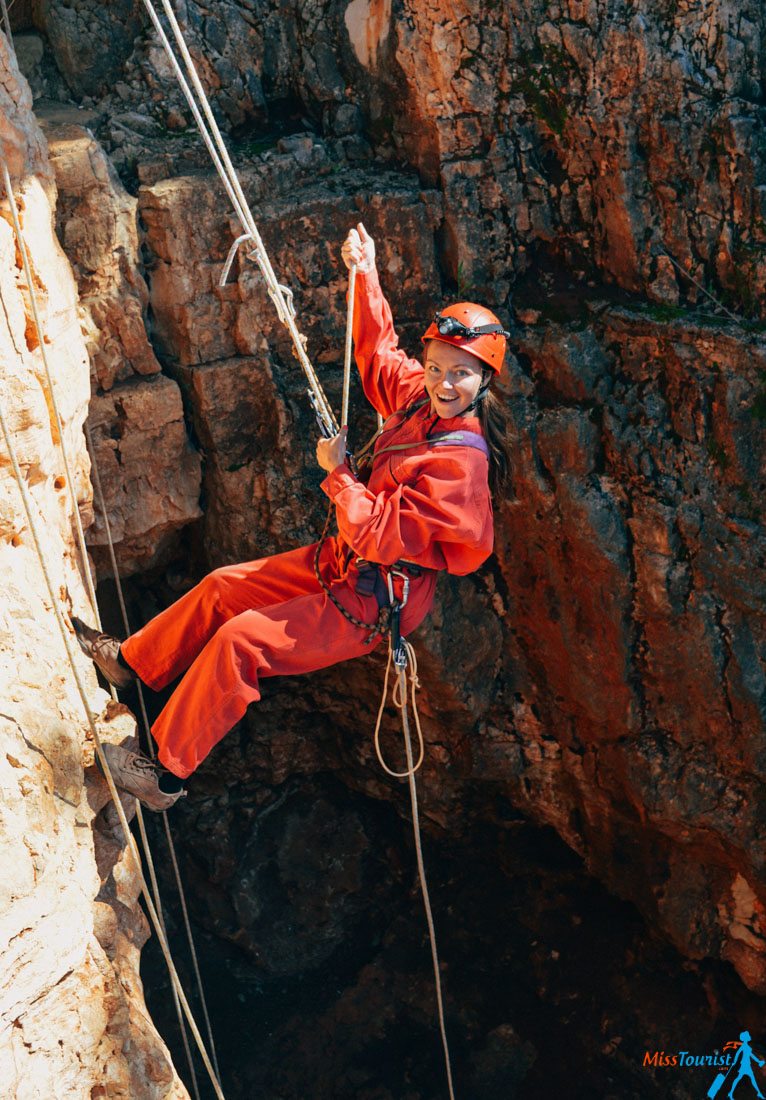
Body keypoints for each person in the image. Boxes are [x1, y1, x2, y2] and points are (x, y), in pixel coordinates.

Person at [73, 222, 513, 811]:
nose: (443, 382)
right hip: (339, 563)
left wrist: (338, 473)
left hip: (369, 599)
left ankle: (164, 778)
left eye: (460, 373)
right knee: (222, 588)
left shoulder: (460, 467)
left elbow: (381, 535)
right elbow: (380, 356)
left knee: (240, 643)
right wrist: (367, 274)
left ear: (484, 381)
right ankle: (130, 662)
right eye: (436, 367)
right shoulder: (419, 402)